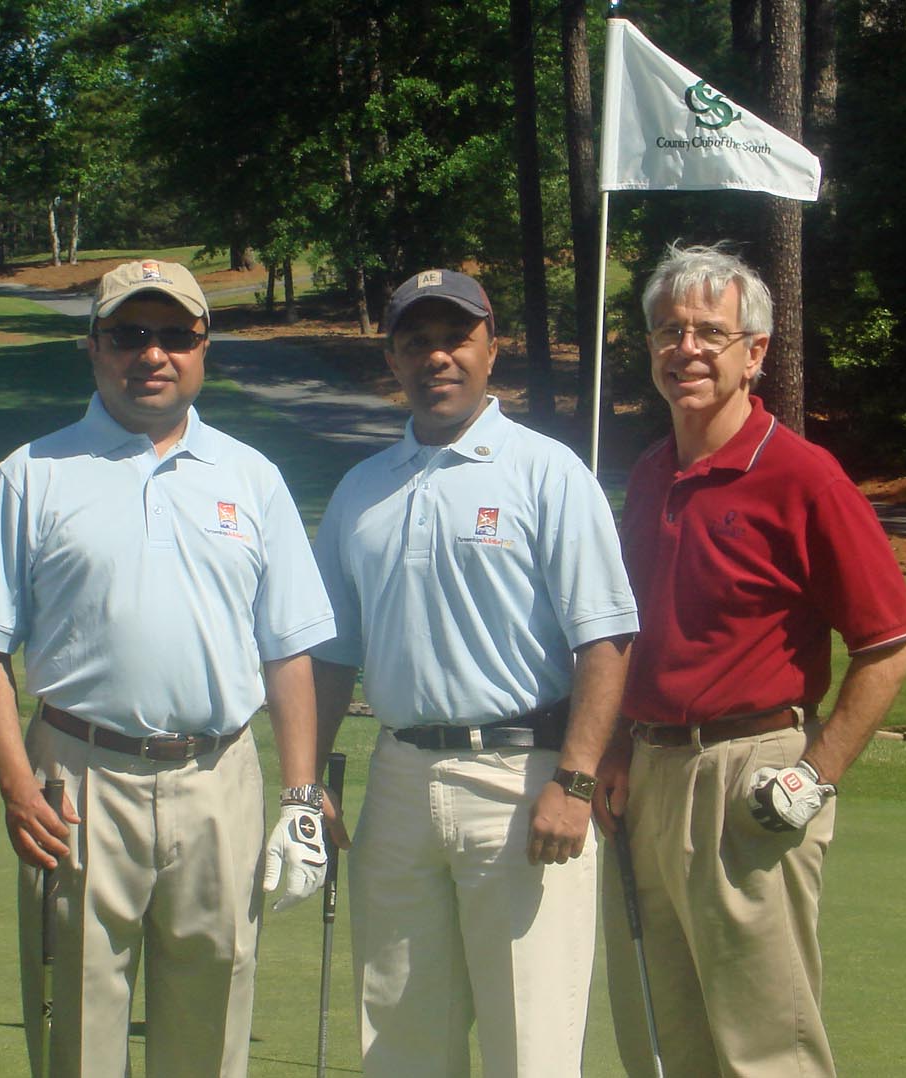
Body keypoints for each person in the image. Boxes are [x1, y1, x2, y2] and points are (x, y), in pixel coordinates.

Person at [0, 258, 336, 1078]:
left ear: (203, 349)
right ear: (93, 347)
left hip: (217, 780)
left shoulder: (252, 478)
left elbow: (288, 650)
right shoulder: (31, 474)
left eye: (174, 335)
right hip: (76, 783)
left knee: (211, 1032)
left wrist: (300, 794)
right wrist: (18, 787)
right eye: (130, 334)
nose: (151, 354)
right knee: (80, 1043)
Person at [599, 243, 906, 1078]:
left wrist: (815, 775)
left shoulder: (801, 476)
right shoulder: (646, 475)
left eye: (711, 331)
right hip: (648, 771)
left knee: (766, 1047)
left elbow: (889, 642)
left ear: (755, 354)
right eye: (668, 330)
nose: (686, 349)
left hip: (754, 773)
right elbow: (629, 637)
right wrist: (607, 753)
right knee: (666, 1042)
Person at [310, 269, 639, 1077]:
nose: (437, 357)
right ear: (392, 356)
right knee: (399, 1036)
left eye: (455, 337)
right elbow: (328, 653)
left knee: (530, 1044)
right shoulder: (361, 491)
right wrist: (307, 777)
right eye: (416, 341)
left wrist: (572, 778)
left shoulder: (545, 471)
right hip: (395, 780)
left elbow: (605, 638)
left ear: (491, 347)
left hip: (523, 779)